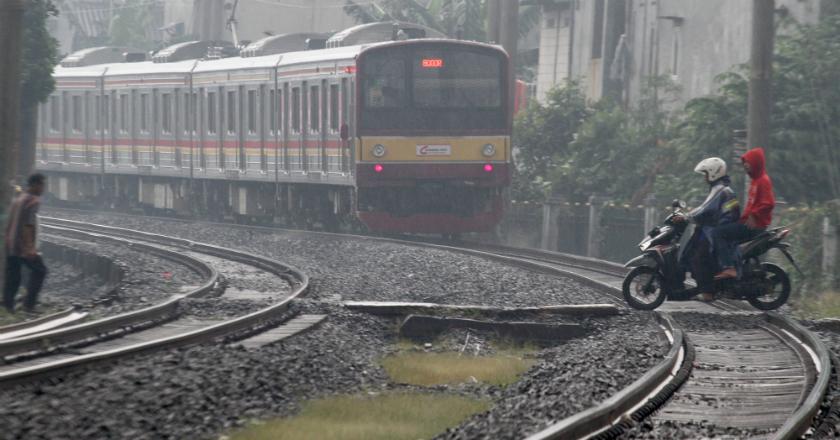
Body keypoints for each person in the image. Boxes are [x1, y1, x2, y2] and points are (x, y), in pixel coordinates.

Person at [675, 157, 741, 301]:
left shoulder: (720, 189)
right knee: (691, 254)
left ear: (713, 173)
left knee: (698, 258)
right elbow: (706, 208)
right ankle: (704, 289)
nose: (704, 177)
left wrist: (686, 216)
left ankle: (708, 292)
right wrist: (690, 215)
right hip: (713, 229)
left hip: (716, 230)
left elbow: (705, 209)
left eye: (706, 173)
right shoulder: (721, 188)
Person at [712, 147, 775, 280]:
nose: (745, 166)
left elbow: (769, 203)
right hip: (749, 223)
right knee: (728, 235)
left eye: (748, 164)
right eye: (745, 164)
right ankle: (735, 270)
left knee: (718, 232)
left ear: (756, 163)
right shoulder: (755, 181)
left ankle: (728, 267)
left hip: (754, 226)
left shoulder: (763, 181)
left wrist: (753, 215)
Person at [3, 173, 48, 314]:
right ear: (35, 185)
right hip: (22, 247)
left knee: (13, 277)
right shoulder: (33, 201)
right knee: (40, 271)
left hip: (11, 244)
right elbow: (28, 225)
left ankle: (8, 306)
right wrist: (30, 248)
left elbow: (10, 223)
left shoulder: (18, 199)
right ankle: (29, 304)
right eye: (42, 185)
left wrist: (8, 240)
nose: (43, 189)